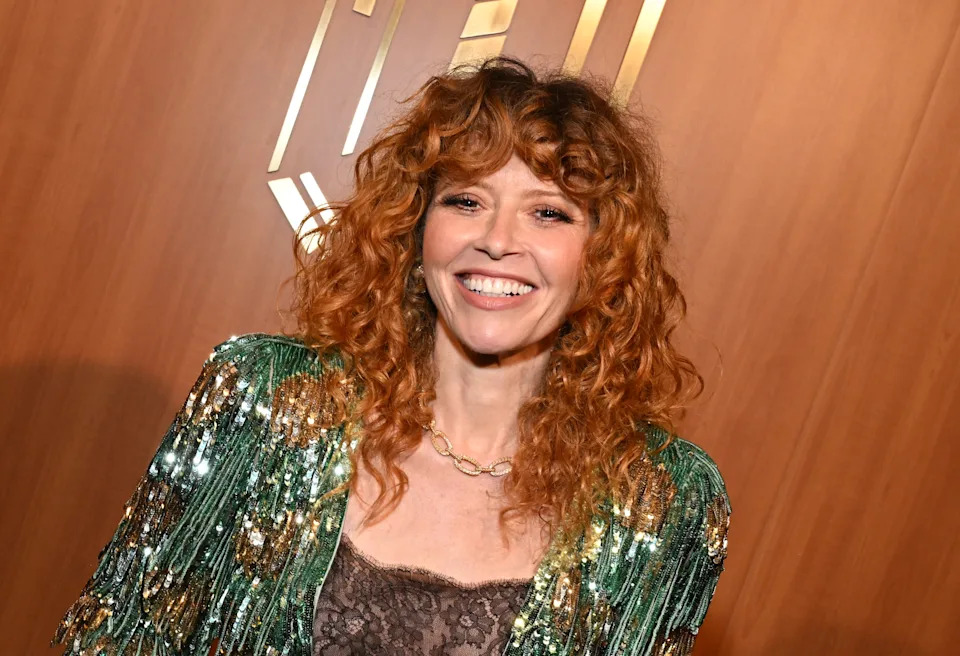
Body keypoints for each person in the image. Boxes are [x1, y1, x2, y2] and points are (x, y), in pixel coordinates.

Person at [51, 56, 730, 656]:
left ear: (604, 257)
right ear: (416, 227)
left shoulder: (660, 503)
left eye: (548, 213)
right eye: (466, 200)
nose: (497, 240)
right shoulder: (265, 402)